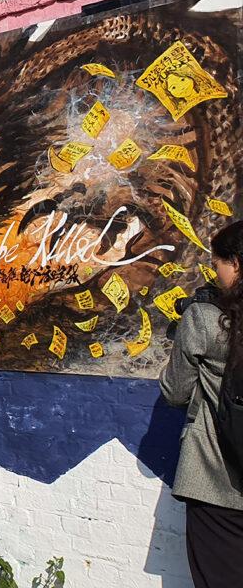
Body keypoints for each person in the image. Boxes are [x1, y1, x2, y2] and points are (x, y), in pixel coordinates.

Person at [160, 220, 243, 588]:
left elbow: (175, 393)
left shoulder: (205, 316)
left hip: (216, 480)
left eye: (218, 264)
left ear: (236, 264)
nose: (215, 272)